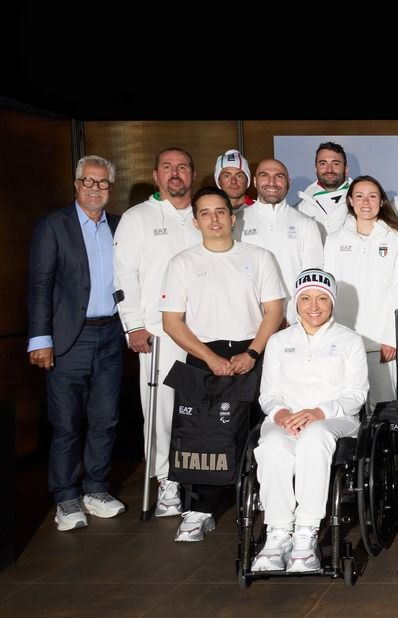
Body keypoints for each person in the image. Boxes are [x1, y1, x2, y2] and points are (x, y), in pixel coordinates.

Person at [161, 187, 287, 542]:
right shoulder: (182, 262)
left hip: (252, 352)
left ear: (233, 218)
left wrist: (253, 353)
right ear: (195, 221)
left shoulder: (260, 257)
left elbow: (273, 311)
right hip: (204, 356)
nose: (214, 219)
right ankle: (198, 510)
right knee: (200, 437)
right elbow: (172, 322)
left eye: (220, 211)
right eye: (205, 213)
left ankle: (264, 500)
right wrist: (210, 358)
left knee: (259, 430)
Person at [27, 155, 126, 530]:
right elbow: (40, 285)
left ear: (110, 188)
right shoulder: (54, 225)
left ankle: (96, 488)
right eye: (88, 181)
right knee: (67, 422)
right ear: (76, 184)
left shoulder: (119, 226)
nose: (94, 189)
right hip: (70, 337)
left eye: (102, 183)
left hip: (111, 334)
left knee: (105, 418)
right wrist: (40, 338)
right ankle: (66, 496)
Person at [251, 269, 368, 572]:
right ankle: (278, 534)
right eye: (305, 298)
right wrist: (281, 414)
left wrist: (319, 412)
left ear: (332, 302)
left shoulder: (350, 340)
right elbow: (268, 394)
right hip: (286, 419)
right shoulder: (278, 341)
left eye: (321, 298)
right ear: (296, 302)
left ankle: (305, 535)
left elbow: (356, 395)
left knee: (315, 436)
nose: (313, 306)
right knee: (272, 443)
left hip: (336, 420)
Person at [114, 147, 201, 519]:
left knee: (202, 411)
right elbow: (124, 275)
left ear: (192, 174)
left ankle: (202, 479)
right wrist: (134, 325)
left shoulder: (204, 213)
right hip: (159, 333)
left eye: (182, 167)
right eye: (167, 167)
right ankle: (167, 482)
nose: (175, 173)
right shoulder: (137, 218)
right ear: (156, 175)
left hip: (205, 332)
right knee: (161, 412)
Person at [322, 176, 398, 409]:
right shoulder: (334, 240)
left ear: (381, 201)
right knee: (343, 407)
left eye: (372, 196)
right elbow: (328, 293)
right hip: (342, 341)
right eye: (359, 196)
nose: (365, 202)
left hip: (381, 343)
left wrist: (392, 338)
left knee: (383, 409)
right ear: (350, 201)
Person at [239, 158, 324, 324]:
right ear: (255, 181)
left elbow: (312, 279)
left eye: (279, 176)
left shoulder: (306, 224)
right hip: (248, 321)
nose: (272, 182)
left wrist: (295, 317)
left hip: (293, 322)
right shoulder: (238, 222)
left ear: (288, 182)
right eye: (264, 175)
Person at [296, 141, 352, 239]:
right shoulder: (301, 208)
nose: (329, 169)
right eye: (323, 164)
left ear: (346, 169)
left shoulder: (362, 202)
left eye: (335, 164)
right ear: (315, 168)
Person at [214, 149, 254, 235]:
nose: (233, 181)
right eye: (227, 176)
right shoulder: (209, 212)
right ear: (218, 181)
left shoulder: (259, 210)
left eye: (239, 176)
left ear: (247, 180)